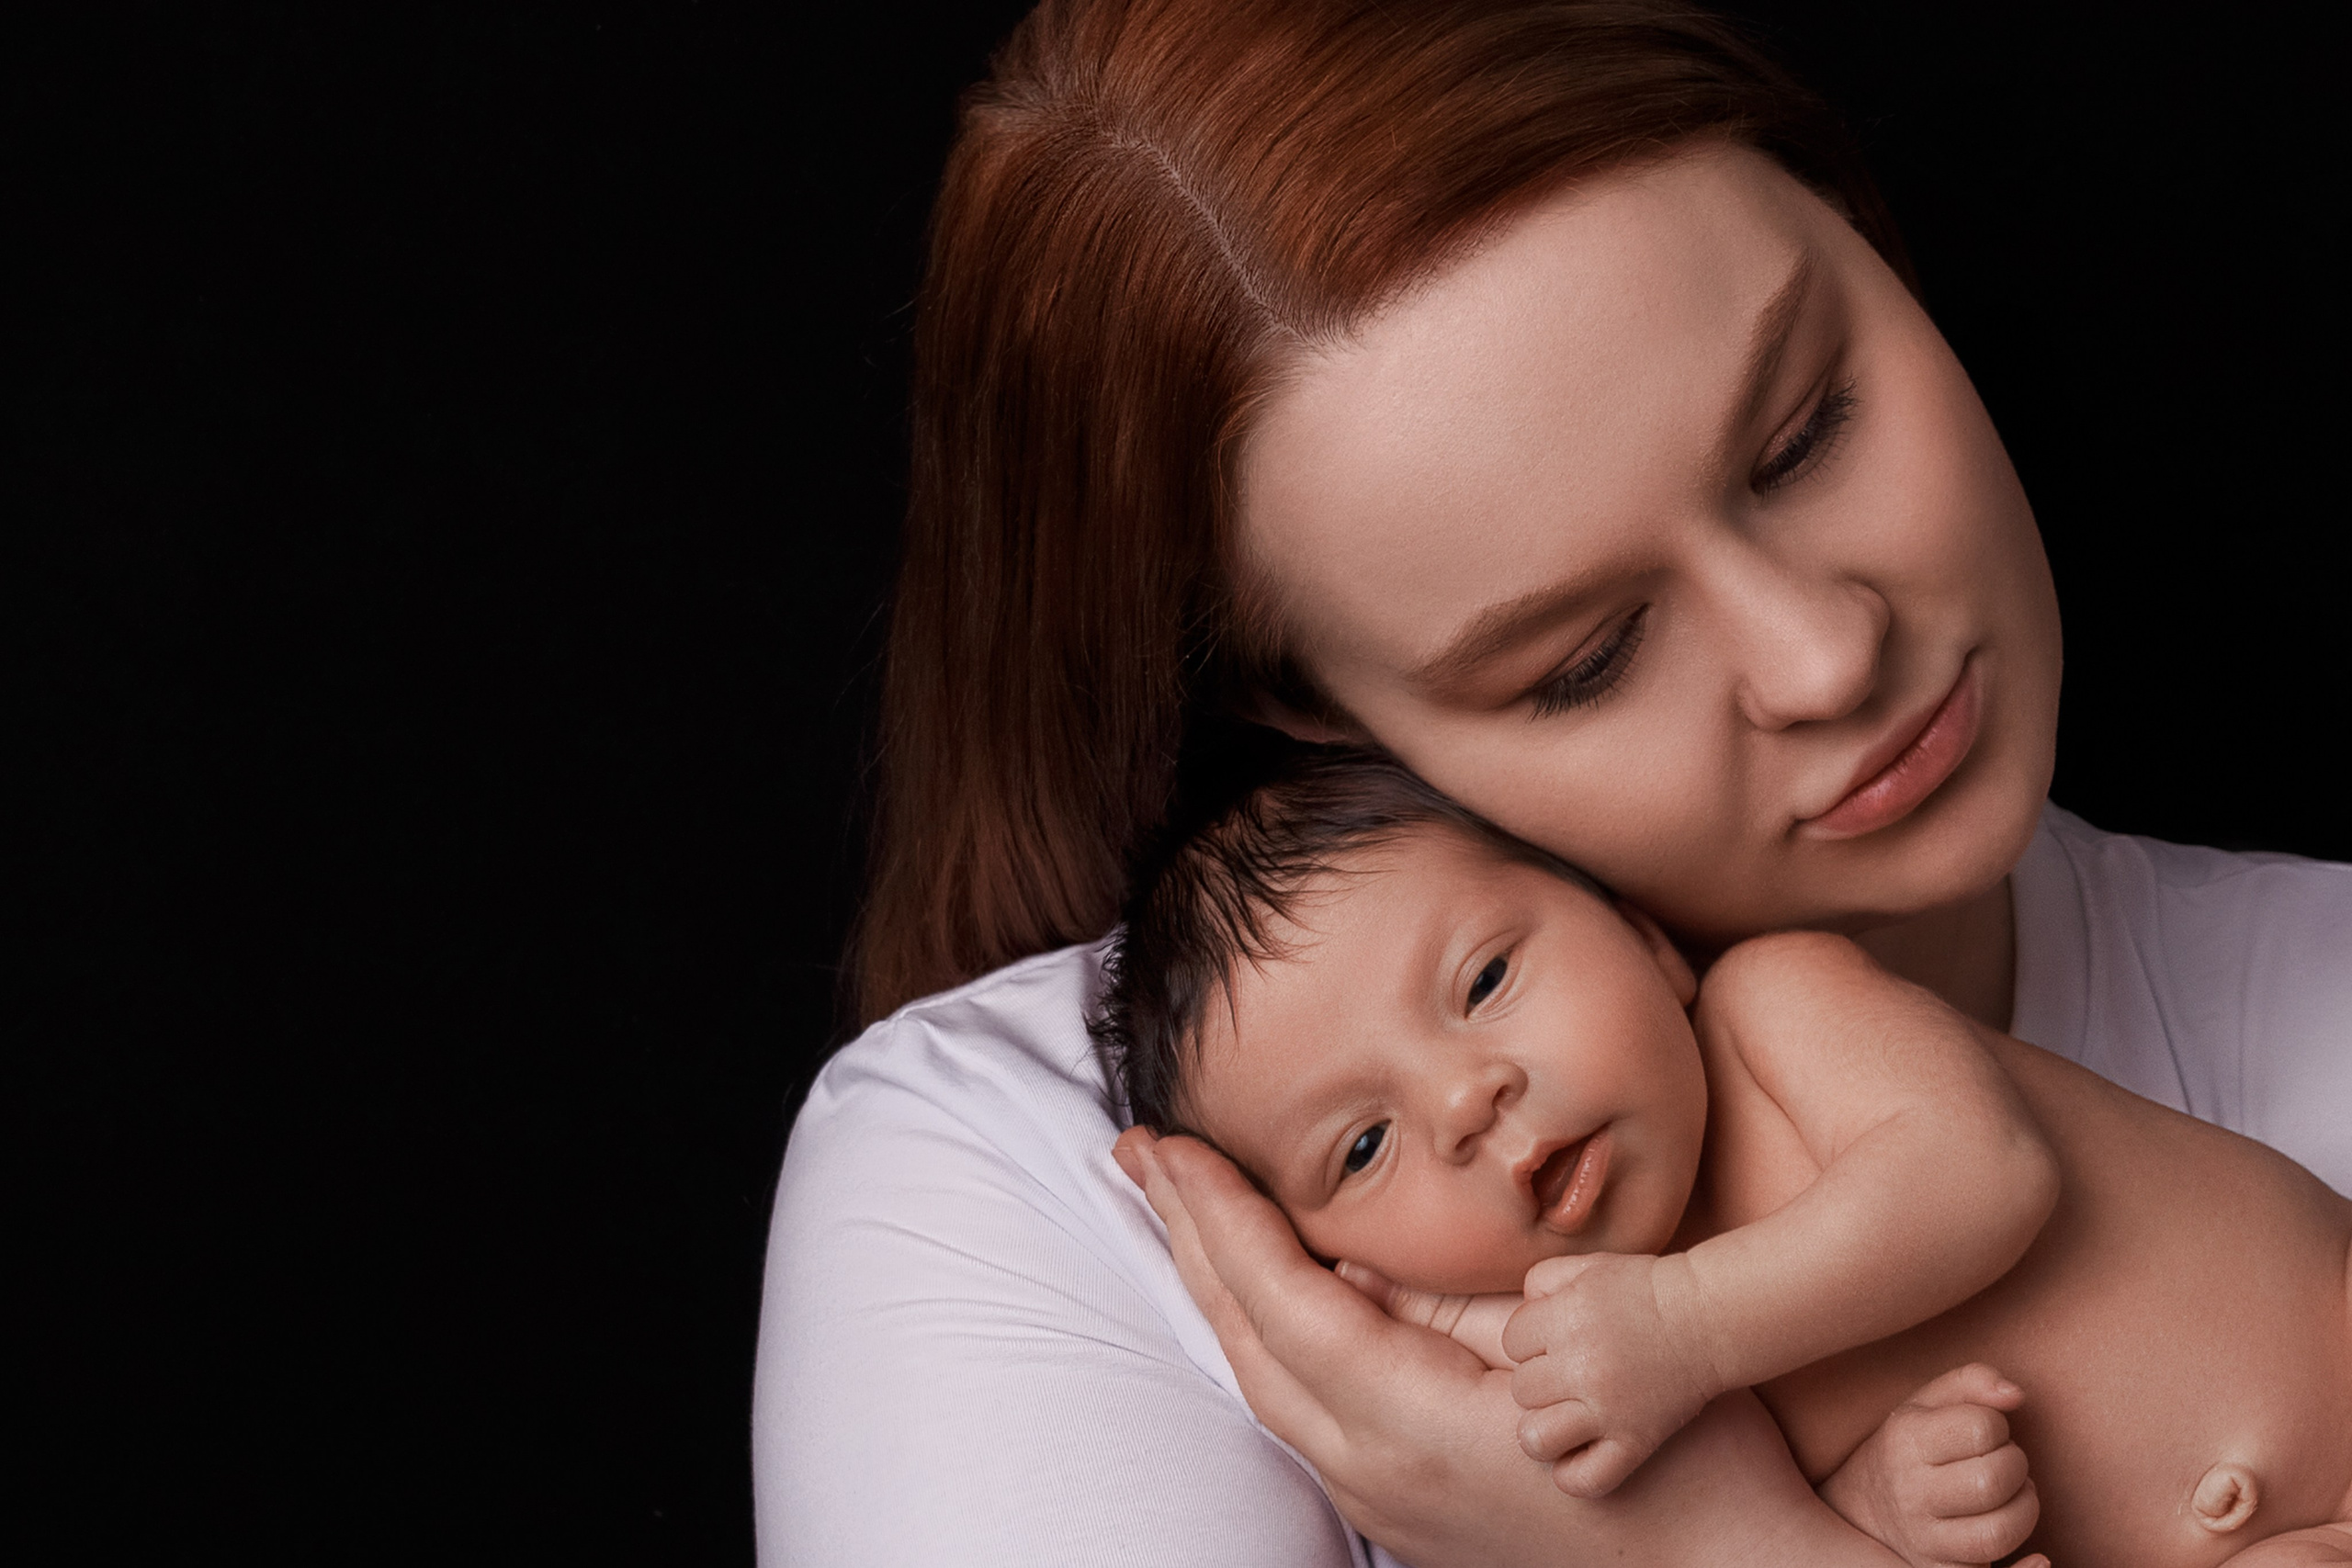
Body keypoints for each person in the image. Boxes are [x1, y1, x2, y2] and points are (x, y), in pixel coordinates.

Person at [752, 1, 2352, 1562]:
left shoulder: (2315, 998)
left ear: (1855, 221)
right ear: (1314, 714)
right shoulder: (1024, 1194)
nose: (1825, 658)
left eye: (1804, 436)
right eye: (1583, 658)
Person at [1094, 742, 2352, 1566]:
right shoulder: (1626, 1392)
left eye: (1484, 979)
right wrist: (1880, 1508)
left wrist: (1687, 1323)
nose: (1468, 1101)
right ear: (1334, 1265)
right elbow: (1770, 1529)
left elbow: (1982, 1177)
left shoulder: (1773, 1010)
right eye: (1363, 1147)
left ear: (1644, 939)